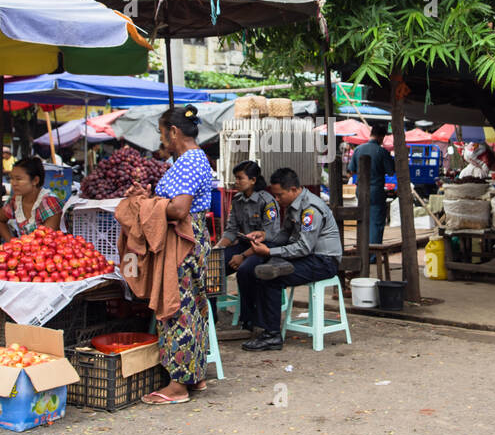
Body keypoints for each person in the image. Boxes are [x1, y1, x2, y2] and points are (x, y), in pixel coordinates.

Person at [125, 105, 215, 405]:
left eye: (163, 134)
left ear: (174, 132)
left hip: (183, 241)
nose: (162, 141)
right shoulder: (194, 159)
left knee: (176, 305)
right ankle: (194, 374)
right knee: (194, 304)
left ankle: (178, 386)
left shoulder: (189, 161)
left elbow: (178, 209)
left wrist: (148, 205)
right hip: (193, 238)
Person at [235, 167, 342, 352]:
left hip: (324, 261)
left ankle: (272, 336)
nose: (277, 199)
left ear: (293, 190)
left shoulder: (310, 209)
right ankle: (261, 326)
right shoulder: (293, 206)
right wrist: (265, 239)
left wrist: (270, 252)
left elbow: (304, 247)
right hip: (309, 257)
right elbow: (285, 233)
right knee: (260, 270)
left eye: (280, 195)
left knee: (271, 277)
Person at [214, 160, 283, 333]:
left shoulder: (266, 201)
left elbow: (270, 236)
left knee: (245, 270)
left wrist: (243, 256)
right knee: (213, 265)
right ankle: (210, 317)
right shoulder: (237, 200)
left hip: (264, 249)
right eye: (235, 178)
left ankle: (249, 320)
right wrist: (217, 249)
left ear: (253, 180)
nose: (236, 182)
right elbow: (231, 231)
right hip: (245, 245)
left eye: (240, 178)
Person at [347, 124, 397, 247]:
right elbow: (391, 171)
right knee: (376, 222)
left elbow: (351, 170)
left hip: (361, 190)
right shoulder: (382, 152)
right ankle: (373, 255)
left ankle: (363, 251)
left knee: (363, 220)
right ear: (381, 137)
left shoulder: (358, 149)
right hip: (376, 190)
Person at [0, 156, 62, 240]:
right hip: (26, 250)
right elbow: (0, 221)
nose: (13, 183)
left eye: (18, 179)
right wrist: (11, 242)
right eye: (11, 178)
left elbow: (46, 239)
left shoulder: (50, 202)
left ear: (35, 180)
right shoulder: (15, 200)